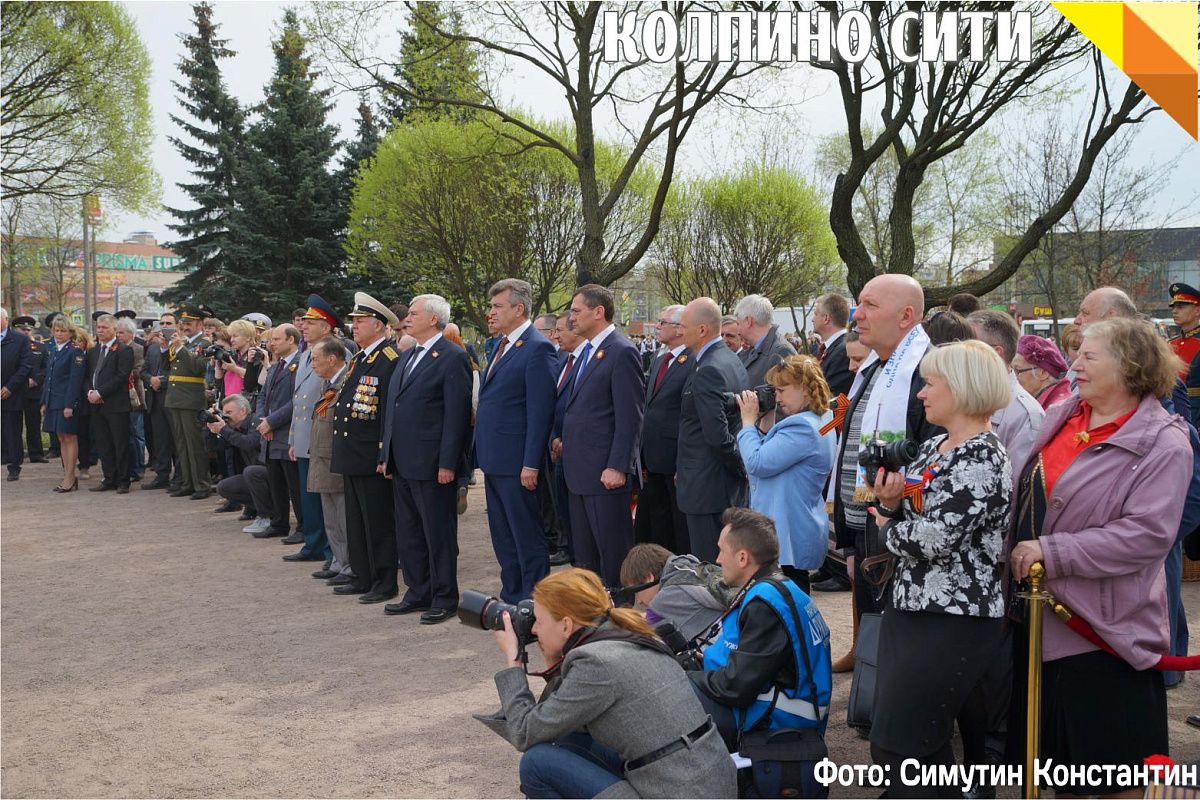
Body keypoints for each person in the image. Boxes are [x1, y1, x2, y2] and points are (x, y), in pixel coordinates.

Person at [1007, 318, 1191, 796]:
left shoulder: (1164, 441)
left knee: (1111, 781)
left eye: (1090, 356)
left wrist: (1052, 551)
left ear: (1129, 365)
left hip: (1104, 634)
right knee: (1055, 776)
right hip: (1040, 625)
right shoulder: (1065, 414)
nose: (1075, 364)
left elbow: (1146, 535)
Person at [864, 341, 1013, 795]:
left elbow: (935, 538)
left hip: (953, 620)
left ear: (963, 388)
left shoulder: (982, 455)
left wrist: (888, 524)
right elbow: (917, 524)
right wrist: (892, 507)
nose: (922, 394)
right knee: (912, 744)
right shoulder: (934, 447)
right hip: (916, 610)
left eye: (931, 383)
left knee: (903, 745)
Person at [482, 567, 736, 799]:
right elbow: (554, 719)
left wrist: (514, 663)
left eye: (539, 620)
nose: (534, 630)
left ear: (566, 625)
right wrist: (552, 660)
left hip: (675, 791)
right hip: (706, 780)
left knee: (536, 763)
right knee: (568, 738)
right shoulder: (631, 633)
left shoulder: (594, 662)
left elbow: (524, 732)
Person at [831, 274, 942, 673]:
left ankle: (882, 698)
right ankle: (868, 682)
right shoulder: (875, 367)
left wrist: (897, 505)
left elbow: (933, 456)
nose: (856, 314)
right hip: (868, 518)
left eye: (870, 305)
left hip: (899, 522)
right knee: (870, 612)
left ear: (906, 315)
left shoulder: (927, 372)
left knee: (893, 625)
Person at [689, 508, 833, 751]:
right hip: (793, 709)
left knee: (672, 696)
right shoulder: (781, 587)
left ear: (743, 558)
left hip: (780, 721)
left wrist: (687, 678)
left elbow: (735, 688)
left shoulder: (765, 602)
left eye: (723, 550)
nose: (718, 559)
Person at [379, 294, 472, 624]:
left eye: (414, 313)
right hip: (403, 461)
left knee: (438, 534)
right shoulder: (407, 355)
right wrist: (385, 454)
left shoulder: (451, 357)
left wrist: (448, 463)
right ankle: (418, 591)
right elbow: (394, 409)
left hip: (433, 464)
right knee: (409, 532)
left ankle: (445, 596)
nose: (407, 318)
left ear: (434, 319)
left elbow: (456, 417)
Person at [474, 279, 557, 602]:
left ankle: (533, 599)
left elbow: (539, 411)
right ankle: (511, 593)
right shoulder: (499, 345)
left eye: (497, 306)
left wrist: (530, 463)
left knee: (525, 534)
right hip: (495, 458)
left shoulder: (538, 347)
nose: (490, 313)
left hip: (518, 461)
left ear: (518, 309)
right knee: (503, 534)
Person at [560, 285, 645, 587]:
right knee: (586, 555)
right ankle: (595, 614)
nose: (571, 318)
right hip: (580, 472)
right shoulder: (588, 352)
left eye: (576, 311)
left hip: (604, 474)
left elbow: (630, 416)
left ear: (598, 312)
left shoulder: (621, 351)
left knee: (612, 554)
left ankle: (620, 615)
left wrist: (618, 465)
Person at [735, 355, 837, 592]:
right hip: (796, 523)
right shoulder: (819, 419)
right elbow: (776, 456)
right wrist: (767, 421)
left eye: (781, 390)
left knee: (787, 602)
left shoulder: (801, 427)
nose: (777, 397)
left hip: (787, 531)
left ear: (803, 388)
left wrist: (748, 423)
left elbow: (757, 462)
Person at [330, 292, 402, 604]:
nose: (354, 326)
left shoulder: (388, 360)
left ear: (378, 324)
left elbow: (387, 413)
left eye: (360, 321)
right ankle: (363, 575)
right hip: (352, 451)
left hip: (370, 453)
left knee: (378, 522)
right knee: (357, 520)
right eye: (354, 321)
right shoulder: (361, 359)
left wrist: (384, 453)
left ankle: (384, 581)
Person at [676, 298, 750, 561]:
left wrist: (741, 468)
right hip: (720, 483)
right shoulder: (729, 359)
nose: (679, 331)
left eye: (683, 326)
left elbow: (717, 435)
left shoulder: (708, 368)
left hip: (708, 486)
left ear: (702, 330)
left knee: (711, 568)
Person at [284, 297, 339, 564]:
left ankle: (331, 551)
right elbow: (298, 401)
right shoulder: (305, 355)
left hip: (323, 438)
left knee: (324, 499)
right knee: (309, 497)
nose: (304, 327)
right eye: (304, 322)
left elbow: (330, 398)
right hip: (305, 435)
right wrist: (294, 437)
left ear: (326, 328)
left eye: (311, 322)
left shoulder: (335, 353)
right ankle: (313, 544)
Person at [635, 305, 692, 554]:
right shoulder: (660, 358)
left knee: (678, 524)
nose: (657, 327)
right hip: (654, 455)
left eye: (662, 322)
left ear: (680, 329)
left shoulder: (692, 360)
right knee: (658, 521)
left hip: (674, 455)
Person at [305, 336, 355, 585]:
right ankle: (338, 561)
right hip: (324, 459)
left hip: (337, 461)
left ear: (332, 359)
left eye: (316, 359)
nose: (312, 364)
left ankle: (349, 565)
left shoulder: (346, 382)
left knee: (344, 518)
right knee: (332, 519)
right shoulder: (328, 385)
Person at [969, 310, 1044, 470]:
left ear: (994, 354)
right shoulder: (962, 398)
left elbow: (1014, 485)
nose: (959, 354)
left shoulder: (1025, 415)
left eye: (969, 347)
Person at [619, 543, 736, 644]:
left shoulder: (664, 599)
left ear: (648, 577)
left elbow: (639, 634)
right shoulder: (686, 566)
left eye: (636, 592)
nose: (638, 601)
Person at [256, 324, 302, 539]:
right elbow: (262, 396)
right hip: (270, 433)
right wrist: (262, 420)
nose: (271, 343)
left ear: (291, 340)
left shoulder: (302, 363)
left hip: (286, 433)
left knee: (294, 485)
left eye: (276, 339)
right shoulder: (275, 366)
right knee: (276, 482)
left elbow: (297, 401)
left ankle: (302, 526)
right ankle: (279, 522)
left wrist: (272, 422)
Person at [165, 304, 213, 499]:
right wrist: (168, 347)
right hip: (176, 398)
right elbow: (166, 366)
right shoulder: (182, 342)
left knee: (194, 444)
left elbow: (198, 367)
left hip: (191, 398)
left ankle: (202, 485)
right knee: (181, 444)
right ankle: (187, 483)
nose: (185, 326)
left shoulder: (205, 343)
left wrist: (180, 348)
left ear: (200, 324)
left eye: (189, 323)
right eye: (183, 322)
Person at [548, 313, 585, 566]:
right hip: (559, 446)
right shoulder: (562, 359)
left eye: (560, 330)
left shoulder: (586, 359)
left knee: (577, 510)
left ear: (576, 331)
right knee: (562, 503)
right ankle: (567, 547)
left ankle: (577, 553)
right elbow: (554, 402)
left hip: (577, 448)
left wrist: (567, 439)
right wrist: (554, 437)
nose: (555, 335)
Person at [85, 314, 135, 494]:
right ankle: (109, 477)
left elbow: (121, 377)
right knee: (103, 443)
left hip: (116, 405)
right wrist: (90, 392)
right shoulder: (93, 351)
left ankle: (123, 480)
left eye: (104, 328)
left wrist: (100, 392)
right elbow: (88, 376)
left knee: (119, 443)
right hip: (96, 405)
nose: (100, 331)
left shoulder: (123, 350)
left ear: (114, 329)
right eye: (98, 327)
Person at [40, 316, 86, 492]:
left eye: (62, 331)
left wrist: (70, 405)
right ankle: (68, 475)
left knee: (69, 437)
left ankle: (70, 476)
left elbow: (75, 381)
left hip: (66, 402)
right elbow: (49, 379)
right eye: (56, 330)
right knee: (61, 438)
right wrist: (44, 401)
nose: (58, 334)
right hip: (53, 401)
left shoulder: (75, 351)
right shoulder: (55, 350)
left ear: (70, 333)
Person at [210, 394, 271, 525]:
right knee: (224, 487)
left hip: (272, 475)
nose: (226, 416)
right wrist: (210, 428)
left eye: (229, 412)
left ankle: (267, 513)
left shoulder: (257, 422)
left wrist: (224, 430)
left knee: (251, 471)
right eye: (224, 412)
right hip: (255, 477)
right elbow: (213, 448)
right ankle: (257, 507)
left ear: (243, 411)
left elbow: (249, 443)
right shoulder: (234, 428)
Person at [141, 312, 177, 491]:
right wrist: (150, 379)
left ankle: (179, 477)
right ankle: (162, 475)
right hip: (155, 399)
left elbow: (181, 373)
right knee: (160, 439)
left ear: (176, 326)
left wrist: (161, 381)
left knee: (176, 440)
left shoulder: (179, 346)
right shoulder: (154, 348)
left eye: (169, 323)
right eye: (162, 323)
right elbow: (144, 370)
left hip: (172, 398)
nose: (165, 326)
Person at [734, 294, 797, 387]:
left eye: (738, 324)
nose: (737, 330)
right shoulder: (753, 350)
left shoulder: (782, 352)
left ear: (748, 321)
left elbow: (789, 396)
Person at [0, 307, 34, 481]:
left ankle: (14, 466)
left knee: (12, 431)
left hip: (11, 394)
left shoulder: (19, 340)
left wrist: (9, 387)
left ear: (6, 319)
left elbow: (26, 366)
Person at [12, 316, 48, 464]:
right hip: (14, 391)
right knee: (14, 425)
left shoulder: (40, 347)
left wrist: (36, 380)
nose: (26, 332)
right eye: (22, 329)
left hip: (33, 391)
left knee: (33, 424)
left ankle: (36, 454)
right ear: (14, 329)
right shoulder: (9, 346)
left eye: (28, 329)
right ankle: (12, 454)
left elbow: (46, 368)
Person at [115, 317, 146, 484]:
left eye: (122, 332)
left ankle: (139, 467)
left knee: (137, 434)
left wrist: (121, 373)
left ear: (131, 334)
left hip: (134, 396)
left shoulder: (138, 349)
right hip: (118, 398)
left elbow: (140, 370)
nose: (118, 335)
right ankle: (127, 466)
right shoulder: (114, 348)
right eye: (117, 332)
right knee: (124, 434)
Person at [1013, 334, 1071, 410]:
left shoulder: (1055, 409)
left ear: (1043, 373)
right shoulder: (1047, 402)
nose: (1013, 376)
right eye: (1011, 370)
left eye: (1017, 370)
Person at [1169, 282, 1200, 422]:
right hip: (1169, 411)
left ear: (1197, 311)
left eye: (1180, 307)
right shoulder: (1170, 344)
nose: (1174, 311)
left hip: (1195, 414)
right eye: (1174, 307)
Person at [813, 293, 854, 396]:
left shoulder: (844, 350)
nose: (812, 319)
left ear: (826, 318)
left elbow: (830, 394)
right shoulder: (828, 349)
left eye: (815, 314)